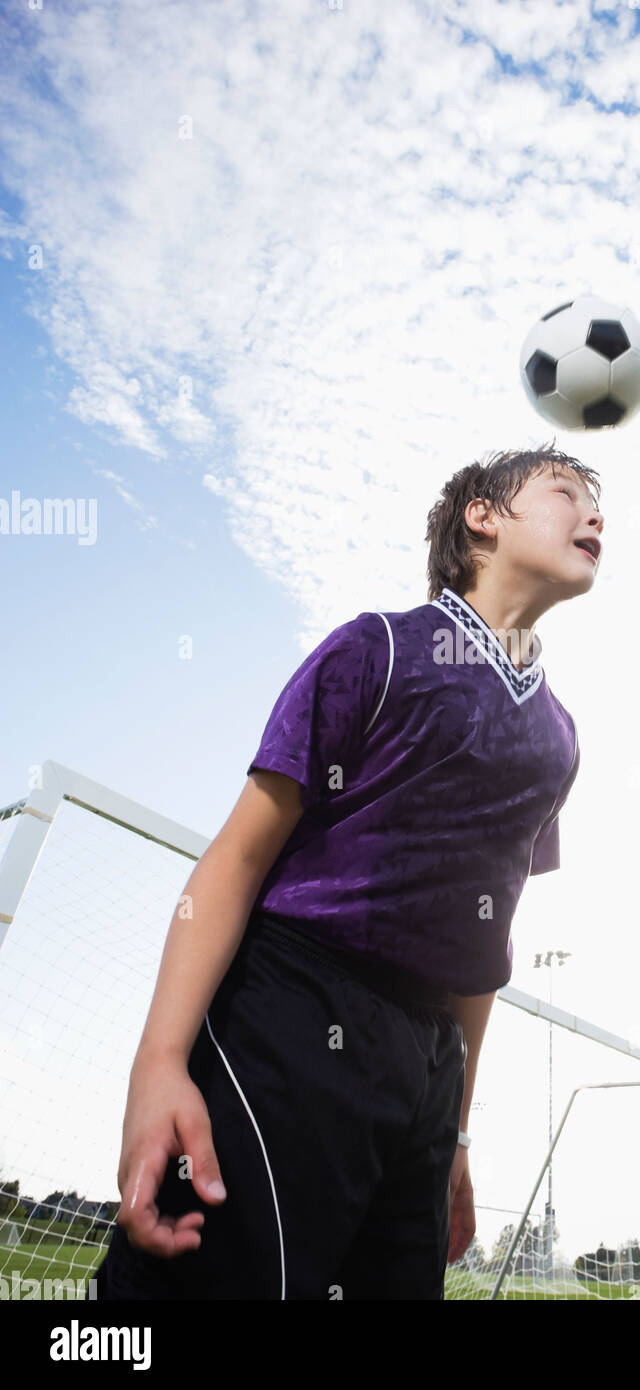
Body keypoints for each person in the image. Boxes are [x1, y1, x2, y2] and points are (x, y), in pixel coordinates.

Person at [87, 443, 603, 1300]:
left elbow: (484, 944)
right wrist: (160, 1062)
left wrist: (457, 1137)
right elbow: (238, 857)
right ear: (482, 517)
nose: (592, 516)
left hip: (428, 1067)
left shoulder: (559, 736)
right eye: (564, 493)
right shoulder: (379, 649)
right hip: (292, 1016)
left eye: (597, 507)